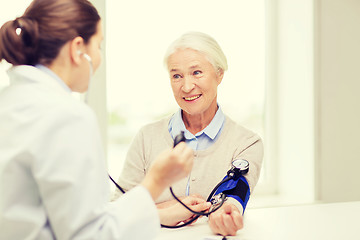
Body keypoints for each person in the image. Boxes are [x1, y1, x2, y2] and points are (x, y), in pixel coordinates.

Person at [0, 1, 196, 239]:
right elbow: (90, 235)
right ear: (78, 48)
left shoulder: (10, 102)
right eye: (99, 45)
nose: (99, 58)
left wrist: (159, 215)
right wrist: (156, 181)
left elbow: (61, 214)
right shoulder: (67, 116)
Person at [113, 31, 264, 236]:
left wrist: (227, 212)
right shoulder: (146, 138)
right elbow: (116, 211)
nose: (186, 86)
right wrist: (166, 212)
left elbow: (234, 196)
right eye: (176, 76)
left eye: (197, 73)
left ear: (219, 74)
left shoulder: (247, 143)